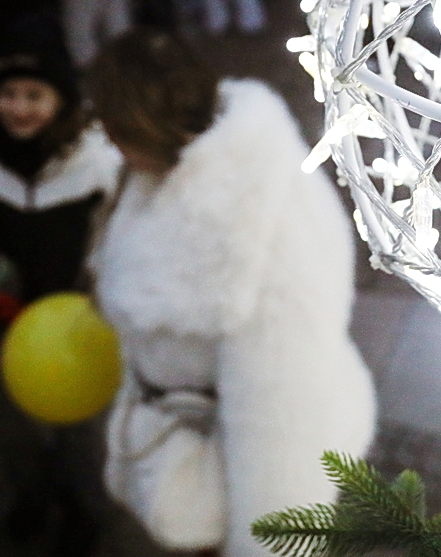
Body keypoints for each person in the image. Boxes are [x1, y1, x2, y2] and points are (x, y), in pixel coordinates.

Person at [85, 30, 375, 557]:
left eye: (112, 127)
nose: (105, 141)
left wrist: (266, 545)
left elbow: (282, 430)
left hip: (223, 475)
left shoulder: (265, 250)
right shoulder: (171, 169)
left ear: (142, 128)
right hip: (184, 456)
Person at [0, 14, 123, 552]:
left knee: (79, 427)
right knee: (9, 427)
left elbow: (119, 231)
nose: (19, 108)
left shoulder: (97, 158)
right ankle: (30, 496)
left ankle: (84, 509)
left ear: (61, 100)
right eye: (8, 93)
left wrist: (104, 290)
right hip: (10, 313)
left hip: (78, 316)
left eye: (35, 94)